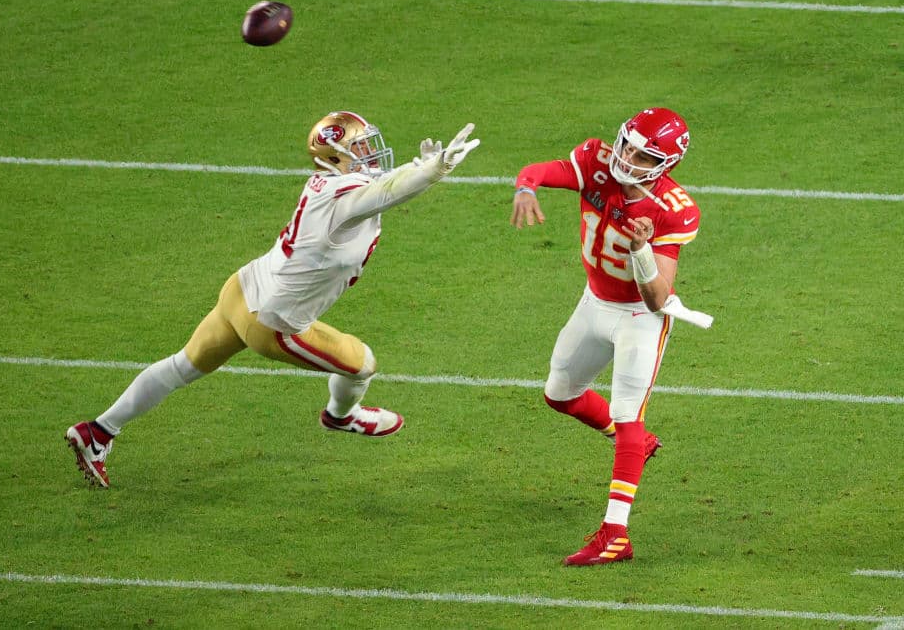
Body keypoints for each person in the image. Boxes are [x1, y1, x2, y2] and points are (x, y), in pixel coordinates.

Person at [66, 111, 480, 488]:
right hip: (272, 323)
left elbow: (379, 188)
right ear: (333, 155)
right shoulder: (345, 197)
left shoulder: (330, 183)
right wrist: (433, 170)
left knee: (181, 366)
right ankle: (341, 416)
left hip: (243, 289)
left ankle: (97, 431)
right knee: (362, 365)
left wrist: (420, 167)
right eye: (358, 146)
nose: (369, 152)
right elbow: (387, 193)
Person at [509, 107, 712, 566]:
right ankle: (637, 444)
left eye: (642, 156)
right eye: (626, 146)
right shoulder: (596, 162)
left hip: (639, 317)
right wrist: (526, 187)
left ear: (664, 165)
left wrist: (641, 250)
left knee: (627, 414)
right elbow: (540, 170)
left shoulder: (672, 210)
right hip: (594, 302)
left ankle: (616, 534)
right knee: (559, 394)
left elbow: (658, 298)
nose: (626, 158)